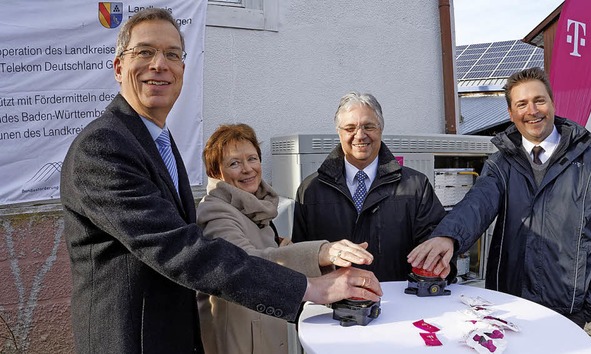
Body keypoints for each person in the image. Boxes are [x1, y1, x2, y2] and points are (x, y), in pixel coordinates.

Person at [60, 9, 382, 353]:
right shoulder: (104, 147)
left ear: (183, 69)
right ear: (119, 67)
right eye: (144, 51)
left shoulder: (156, 142)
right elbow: (181, 250)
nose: (159, 64)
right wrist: (312, 287)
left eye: (172, 54)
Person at [409, 67, 591, 328]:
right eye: (522, 104)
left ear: (552, 103)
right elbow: (477, 203)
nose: (533, 111)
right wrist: (449, 235)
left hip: (567, 312)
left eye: (539, 100)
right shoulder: (501, 163)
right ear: (511, 113)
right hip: (507, 305)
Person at [196, 123, 375, 354]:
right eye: (234, 163)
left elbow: (270, 251)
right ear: (215, 172)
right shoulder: (215, 211)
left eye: (252, 159)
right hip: (239, 335)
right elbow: (245, 261)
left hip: (265, 325)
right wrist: (321, 252)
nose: (247, 169)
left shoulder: (255, 206)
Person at [292, 91, 455, 282]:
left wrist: (439, 267)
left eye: (368, 126)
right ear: (339, 132)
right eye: (350, 128)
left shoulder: (416, 186)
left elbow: (434, 248)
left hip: (399, 303)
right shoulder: (311, 190)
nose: (360, 135)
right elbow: (301, 259)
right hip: (333, 307)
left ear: (380, 129)